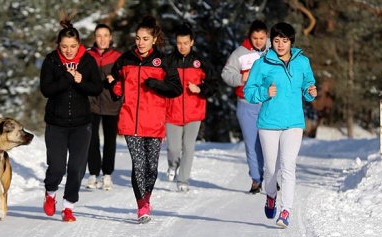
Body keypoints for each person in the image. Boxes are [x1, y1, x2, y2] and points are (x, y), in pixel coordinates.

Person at [107, 15, 182, 223]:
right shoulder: (125, 60)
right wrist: (113, 87)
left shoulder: (164, 61)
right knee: (138, 165)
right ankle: (142, 206)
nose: (140, 42)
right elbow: (116, 84)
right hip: (130, 119)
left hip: (155, 121)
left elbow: (176, 88)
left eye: (145, 39)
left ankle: (146, 198)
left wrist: (155, 84)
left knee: (151, 168)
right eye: (138, 38)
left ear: (154, 39)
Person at [243, 22, 317, 228]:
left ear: (291, 41)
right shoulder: (262, 63)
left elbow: (307, 85)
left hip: (293, 122)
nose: (281, 44)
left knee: (288, 166)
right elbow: (249, 92)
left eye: (284, 40)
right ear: (271, 41)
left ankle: (285, 211)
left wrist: (310, 91)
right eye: (276, 40)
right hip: (268, 123)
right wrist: (265, 93)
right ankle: (271, 196)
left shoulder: (302, 62)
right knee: (270, 169)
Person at [39, 12, 103, 222]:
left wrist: (81, 81)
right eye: (64, 46)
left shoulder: (87, 61)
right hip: (56, 124)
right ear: (59, 45)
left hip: (81, 124)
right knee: (56, 168)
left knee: (76, 168)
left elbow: (96, 88)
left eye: (72, 46)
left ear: (78, 45)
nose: (68, 50)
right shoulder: (51, 61)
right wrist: (67, 78)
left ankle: (68, 207)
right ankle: (50, 194)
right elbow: (46, 90)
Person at [166, 22, 219, 192]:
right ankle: (173, 165)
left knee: (189, 147)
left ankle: (183, 180)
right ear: (175, 42)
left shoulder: (199, 62)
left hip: (194, 112)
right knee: (173, 149)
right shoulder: (167, 61)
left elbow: (214, 83)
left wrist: (200, 89)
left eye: (186, 43)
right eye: (179, 43)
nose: (182, 46)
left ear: (192, 42)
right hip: (171, 112)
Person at [221, 20, 269, 194]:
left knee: (270, 143)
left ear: (267, 36)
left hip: (269, 104)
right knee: (252, 144)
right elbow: (226, 74)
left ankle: (271, 178)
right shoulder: (240, 53)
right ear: (250, 36)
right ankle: (256, 180)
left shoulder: (273, 50)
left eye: (262, 38)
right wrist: (240, 79)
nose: (258, 41)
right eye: (255, 38)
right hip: (246, 104)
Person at [85, 24, 122, 191]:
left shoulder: (118, 57)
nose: (102, 39)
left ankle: (107, 175)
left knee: (109, 141)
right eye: (99, 35)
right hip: (91, 103)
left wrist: (114, 80)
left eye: (105, 35)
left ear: (111, 37)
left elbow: (124, 80)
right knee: (91, 140)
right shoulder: (87, 55)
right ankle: (93, 174)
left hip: (111, 104)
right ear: (94, 37)